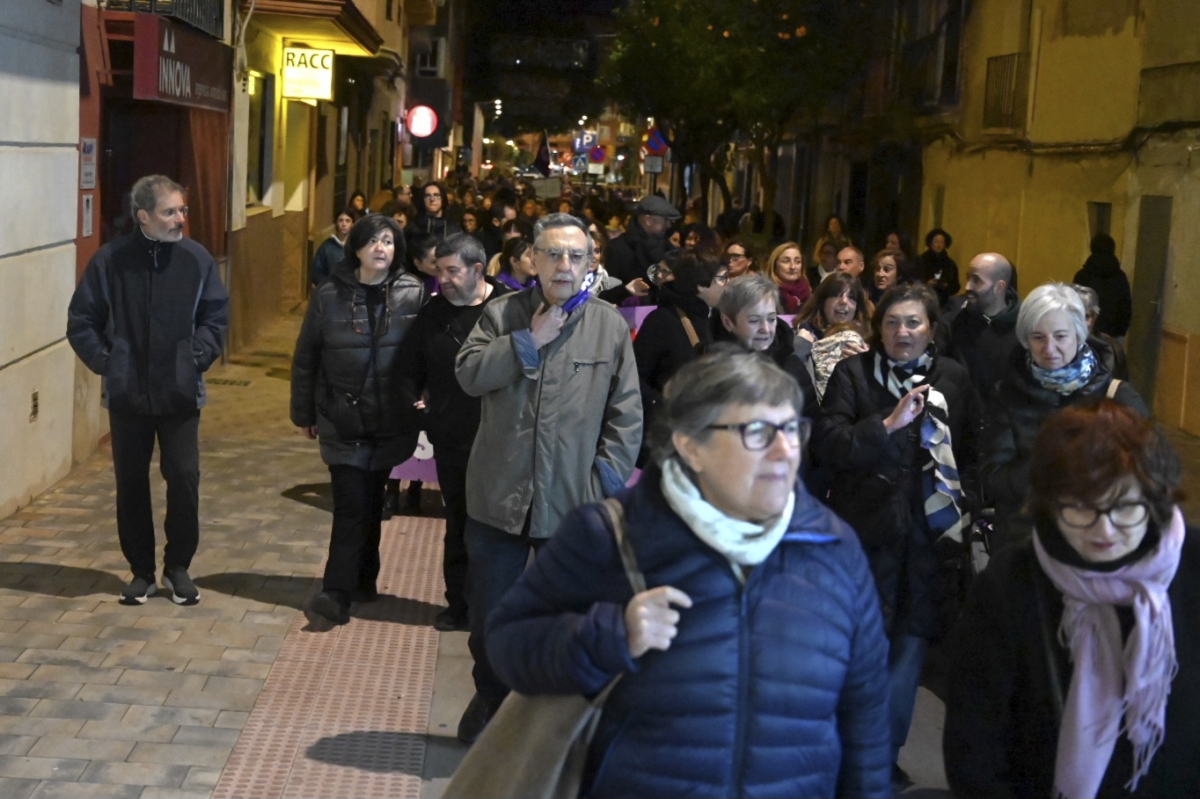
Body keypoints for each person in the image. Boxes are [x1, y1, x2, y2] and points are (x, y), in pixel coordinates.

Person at [485, 349, 892, 799]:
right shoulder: (611, 535)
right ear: (691, 446)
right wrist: (610, 635)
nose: (785, 451)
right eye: (757, 431)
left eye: (792, 429)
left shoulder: (832, 549)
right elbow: (507, 643)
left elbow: (866, 714)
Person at [944, 400, 1200, 798]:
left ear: (1155, 498)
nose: (1105, 529)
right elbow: (976, 745)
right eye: (1080, 507)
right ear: (1050, 501)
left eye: (1125, 507)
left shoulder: (1193, 568)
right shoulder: (1012, 585)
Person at [453, 212, 643, 743]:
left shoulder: (608, 325)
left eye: (576, 256)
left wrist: (601, 483)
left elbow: (626, 413)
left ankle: (553, 717)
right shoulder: (501, 313)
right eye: (553, 254)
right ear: (531, 260)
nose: (564, 265)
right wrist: (525, 342)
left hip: (572, 505)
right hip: (498, 499)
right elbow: (468, 376)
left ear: (590, 264)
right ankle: (490, 700)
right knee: (491, 614)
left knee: (568, 618)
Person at [814, 283, 980, 787]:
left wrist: (961, 507)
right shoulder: (853, 373)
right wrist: (886, 424)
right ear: (876, 327)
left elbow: (972, 449)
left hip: (928, 541)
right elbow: (829, 444)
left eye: (913, 323)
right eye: (891, 322)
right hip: (865, 534)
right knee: (859, 646)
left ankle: (882, 755)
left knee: (908, 650)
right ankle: (843, 746)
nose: (901, 332)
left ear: (931, 329)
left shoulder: (952, 377)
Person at [67, 174, 229, 607]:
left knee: (184, 478)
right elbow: (81, 321)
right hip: (128, 397)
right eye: (170, 211)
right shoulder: (110, 261)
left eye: (183, 210)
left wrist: (193, 359)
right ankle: (141, 572)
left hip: (180, 396)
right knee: (131, 484)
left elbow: (215, 320)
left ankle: (178, 567)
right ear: (143, 216)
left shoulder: (197, 260)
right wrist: (110, 363)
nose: (180, 219)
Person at [290, 214, 425, 625]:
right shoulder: (329, 294)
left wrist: (423, 393)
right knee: (350, 505)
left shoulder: (413, 292)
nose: (380, 248)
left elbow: (424, 352)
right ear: (357, 248)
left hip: (389, 417)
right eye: (372, 241)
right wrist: (304, 412)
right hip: (341, 415)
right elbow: (306, 356)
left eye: (388, 241)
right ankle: (336, 592)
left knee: (371, 502)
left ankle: (365, 579)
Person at [395, 234, 510, 633]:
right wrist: (419, 406)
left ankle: (494, 607)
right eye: (438, 271)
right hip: (453, 439)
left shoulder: (509, 308)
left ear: (478, 270)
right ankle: (457, 605)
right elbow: (407, 369)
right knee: (458, 524)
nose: (442, 279)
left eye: (451, 271)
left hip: (503, 441)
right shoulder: (433, 314)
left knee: (497, 529)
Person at [983, 282, 1148, 550]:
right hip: (1027, 544)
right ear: (1026, 340)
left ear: (1079, 334)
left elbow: (1151, 474)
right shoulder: (1007, 394)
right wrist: (1058, 462)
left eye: (1060, 336)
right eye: (1038, 337)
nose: (1049, 348)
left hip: (1099, 545)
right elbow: (994, 478)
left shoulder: (1117, 396)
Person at [633, 250, 727, 427]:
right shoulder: (662, 321)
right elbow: (635, 376)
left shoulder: (717, 318)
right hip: (670, 429)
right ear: (701, 285)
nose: (726, 285)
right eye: (722, 279)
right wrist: (663, 407)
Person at [712, 274, 815, 415]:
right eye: (754, 321)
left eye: (771, 319)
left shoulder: (789, 360)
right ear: (727, 322)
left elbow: (814, 424)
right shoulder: (710, 366)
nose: (766, 329)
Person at [942, 252, 1020, 404]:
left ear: (999, 287)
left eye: (976, 281)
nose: (967, 287)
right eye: (968, 278)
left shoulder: (1022, 328)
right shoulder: (954, 319)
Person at [793, 273, 872, 403]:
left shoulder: (869, 341)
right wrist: (800, 348)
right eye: (836, 295)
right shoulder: (802, 336)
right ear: (822, 301)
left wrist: (868, 364)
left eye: (851, 297)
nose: (844, 301)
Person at [605, 195, 680, 285]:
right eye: (665, 220)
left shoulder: (667, 248)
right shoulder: (617, 249)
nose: (669, 225)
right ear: (648, 220)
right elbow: (609, 290)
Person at [1073, 233, 1132, 338]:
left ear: (1092, 248)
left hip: (1087, 329)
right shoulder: (1120, 276)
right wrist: (1122, 329)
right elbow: (1125, 305)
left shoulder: (1082, 275)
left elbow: (1074, 304)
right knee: (1110, 353)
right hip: (1113, 331)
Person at [587, 221, 651, 304]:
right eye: (588, 251)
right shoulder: (569, 282)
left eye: (596, 251)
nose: (593, 256)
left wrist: (625, 291)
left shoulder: (614, 284)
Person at [1075, 284, 1129, 380]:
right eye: (1077, 316)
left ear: (1095, 316)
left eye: (1087, 316)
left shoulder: (1112, 347)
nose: (1084, 323)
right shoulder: (1054, 346)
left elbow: (1120, 386)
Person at [310, 208, 359, 287]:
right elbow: (316, 272)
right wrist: (327, 286)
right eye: (340, 220)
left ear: (352, 224)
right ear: (336, 223)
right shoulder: (327, 247)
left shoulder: (357, 246)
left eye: (347, 221)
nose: (343, 224)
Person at [917, 228, 959, 306]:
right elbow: (912, 280)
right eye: (936, 242)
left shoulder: (950, 264)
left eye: (942, 242)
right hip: (923, 301)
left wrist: (946, 286)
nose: (939, 245)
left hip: (943, 303)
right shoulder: (920, 260)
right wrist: (926, 284)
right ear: (930, 243)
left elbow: (956, 286)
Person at [766, 241, 812, 313]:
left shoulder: (810, 296)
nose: (792, 267)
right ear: (774, 266)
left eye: (797, 261)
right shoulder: (765, 295)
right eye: (786, 261)